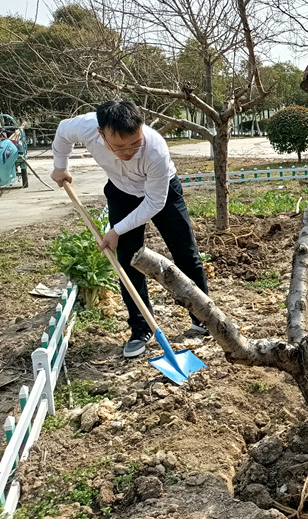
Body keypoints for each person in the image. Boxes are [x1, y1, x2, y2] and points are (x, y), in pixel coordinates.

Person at [51, 101, 209, 358]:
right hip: (121, 192)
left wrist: (117, 230)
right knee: (127, 260)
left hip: (163, 193)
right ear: (101, 135)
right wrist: (60, 166)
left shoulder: (155, 149)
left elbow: (154, 202)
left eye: (135, 143)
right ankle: (141, 328)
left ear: (141, 129)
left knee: (185, 253)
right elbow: (62, 132)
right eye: (119, 146)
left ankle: (203, 318)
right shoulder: (87, 126)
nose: (128, 151)